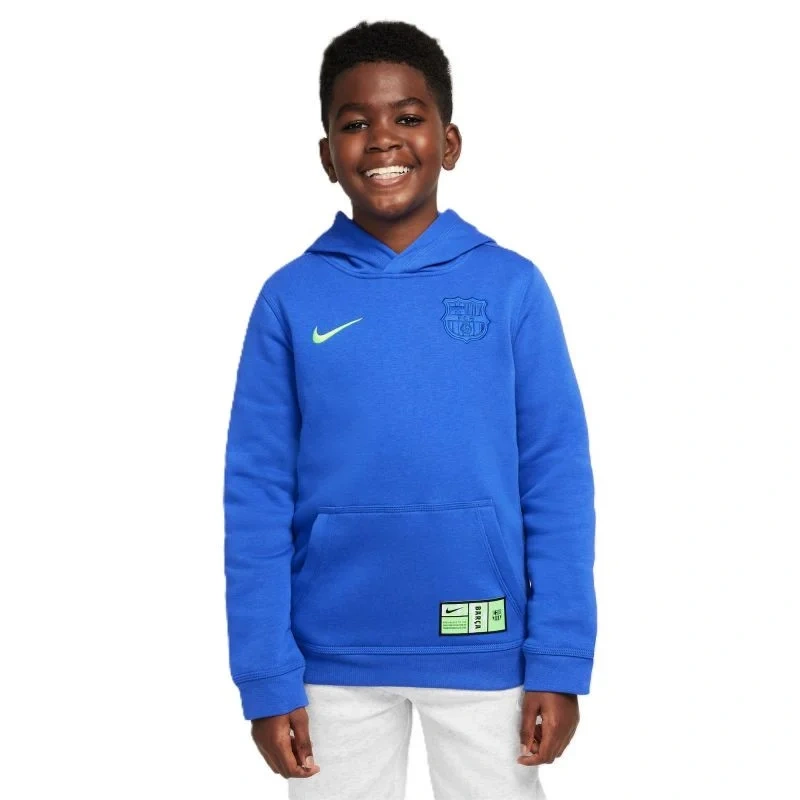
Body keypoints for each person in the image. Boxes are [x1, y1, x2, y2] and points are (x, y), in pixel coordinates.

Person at [223, 19, 597, 800]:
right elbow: (255, 494)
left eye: (408, 116)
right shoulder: (290, 298)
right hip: (330, 657)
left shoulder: (511, 287)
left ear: (449, 142)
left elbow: (556, 478)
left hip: (486, 642)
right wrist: (264, 674)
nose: (383, 139)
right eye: (355, 123)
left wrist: (559, 659)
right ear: (327, 155)